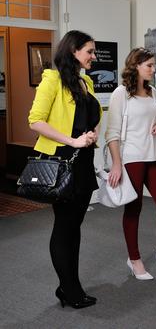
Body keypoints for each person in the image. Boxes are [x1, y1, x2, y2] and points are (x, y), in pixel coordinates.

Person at [28, 30, 102, 308]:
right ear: (73, 51)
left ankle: (70, 287)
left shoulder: (87, 82)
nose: (94, 56)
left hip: (83, 162)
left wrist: (92, 134)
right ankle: (70, 290)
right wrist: (72, 140)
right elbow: (35, 121)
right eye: (90, 51)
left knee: (75, 227)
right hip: (60, 160)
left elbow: (90, 118)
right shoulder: (52, 80)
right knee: (64, 227)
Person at [105, 48, 156, 280]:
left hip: (152, 155)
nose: (153, 68)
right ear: (136, 66)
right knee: (134, 208)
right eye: (149, 65)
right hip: (131, 157)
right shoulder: (121, 93)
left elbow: (153, 118)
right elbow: (112, 132)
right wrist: (117, 164)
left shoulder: (153, 91)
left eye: (153, 65)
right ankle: (134, 259)